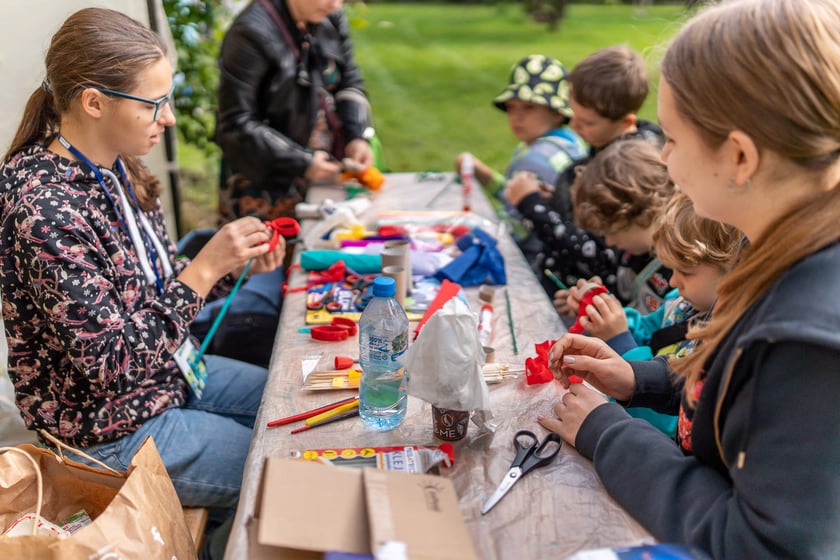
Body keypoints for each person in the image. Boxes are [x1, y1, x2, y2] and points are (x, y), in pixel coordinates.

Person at [541, 0, 840, 557]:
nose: (663, 156)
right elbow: (742, 396)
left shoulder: (808, 339)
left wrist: (610, 433)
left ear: (740, 157)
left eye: (673, 139)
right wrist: (642, 381)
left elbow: (760, 545)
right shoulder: (777, 253)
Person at [0, 8, 285, 556]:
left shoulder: (116, 162)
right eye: (155, 104)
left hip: (164, 377)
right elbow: (109, 363)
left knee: (288, 413)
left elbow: (151, 289)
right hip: (106, 431)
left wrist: (225, 267)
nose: (170, 118)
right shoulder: (45, 210)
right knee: (280, 465)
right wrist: (204, 269)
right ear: (94, 101)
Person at [573, 190, 740, 436]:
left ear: (735, 270)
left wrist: (620, 341)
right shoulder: (679, 302)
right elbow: (647, 331)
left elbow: (672, 424)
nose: (673, 282)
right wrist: (605, 314)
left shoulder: (727, 339)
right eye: (670, 269)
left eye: (686, 272)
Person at [506, 45, 665, 298]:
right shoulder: (605, 144)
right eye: (573, 114)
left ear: (626, 122)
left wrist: (532, 205)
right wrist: (557, 199)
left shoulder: (625, 170)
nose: (575, 126)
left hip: (593, 304)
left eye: (587, 122)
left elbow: (599, 256)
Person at [215, 0, 375, 223]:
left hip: (323, 175)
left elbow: (349, 81)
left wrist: (356, 136)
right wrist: (302, 163)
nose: (335, 6)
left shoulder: (329, 17)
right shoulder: (250, 32)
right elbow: (235, 122)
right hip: (265, 183)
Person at [453, 54, 587, 279]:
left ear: (557, 112)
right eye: (512, 107)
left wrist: (466, 230)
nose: (517, 116)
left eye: (529, 107)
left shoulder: (537, 157)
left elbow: (517, 228)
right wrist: (482, 173)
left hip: (534, 266)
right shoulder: (570, 142)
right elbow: (514, 196)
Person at [558, 139, 674, 316]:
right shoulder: (635, 251)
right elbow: (629, 300)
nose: (609, 241)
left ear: (647, 213)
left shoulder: (682, 268)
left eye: (613, 232)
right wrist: (598, 302)